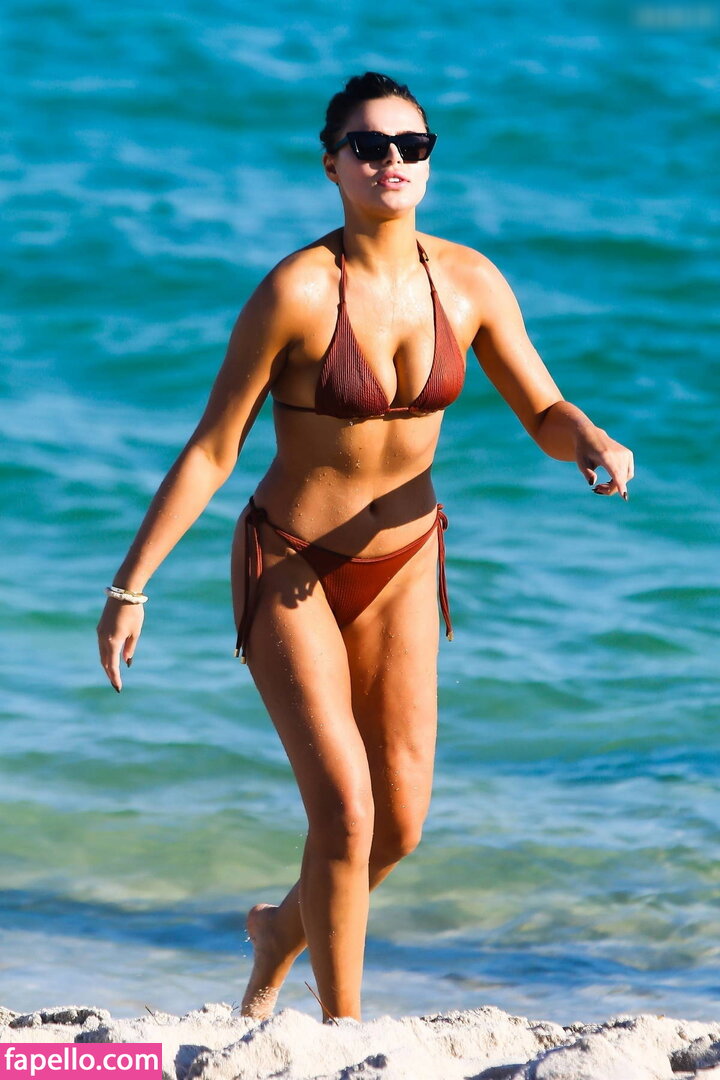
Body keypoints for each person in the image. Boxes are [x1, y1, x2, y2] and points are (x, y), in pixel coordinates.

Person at [97, 71, 634, 1023]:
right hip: (291, 561)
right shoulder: (297, 290)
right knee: (345, 810)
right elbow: (214, 448)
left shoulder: (468, 281)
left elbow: (542, 409)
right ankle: (342, 1033)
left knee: (400, 824)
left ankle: (280, 931)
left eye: (411, 146)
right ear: (332, 165)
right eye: (369, 146)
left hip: (405, 564)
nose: (392, 161)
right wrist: (130, 586)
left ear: (429, 162)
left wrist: (588, 438)